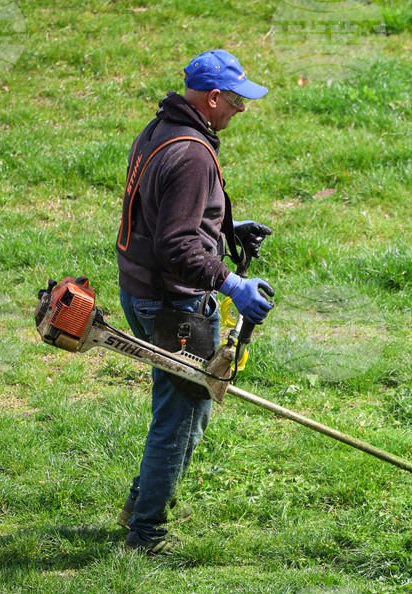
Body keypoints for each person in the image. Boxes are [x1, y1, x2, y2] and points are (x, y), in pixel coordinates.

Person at [115, 49, 274, 555]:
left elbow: (162, 213)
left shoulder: (163, 128)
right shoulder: (191, 153)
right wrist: (231, 283)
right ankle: (147, 531)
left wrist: (225, 229)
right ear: (211, 98)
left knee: (191, 404)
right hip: (171, 304)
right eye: (236, 101)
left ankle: (142, 503)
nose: (241, 110)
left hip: (142, 289)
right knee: (180, 415)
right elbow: (177, 243)